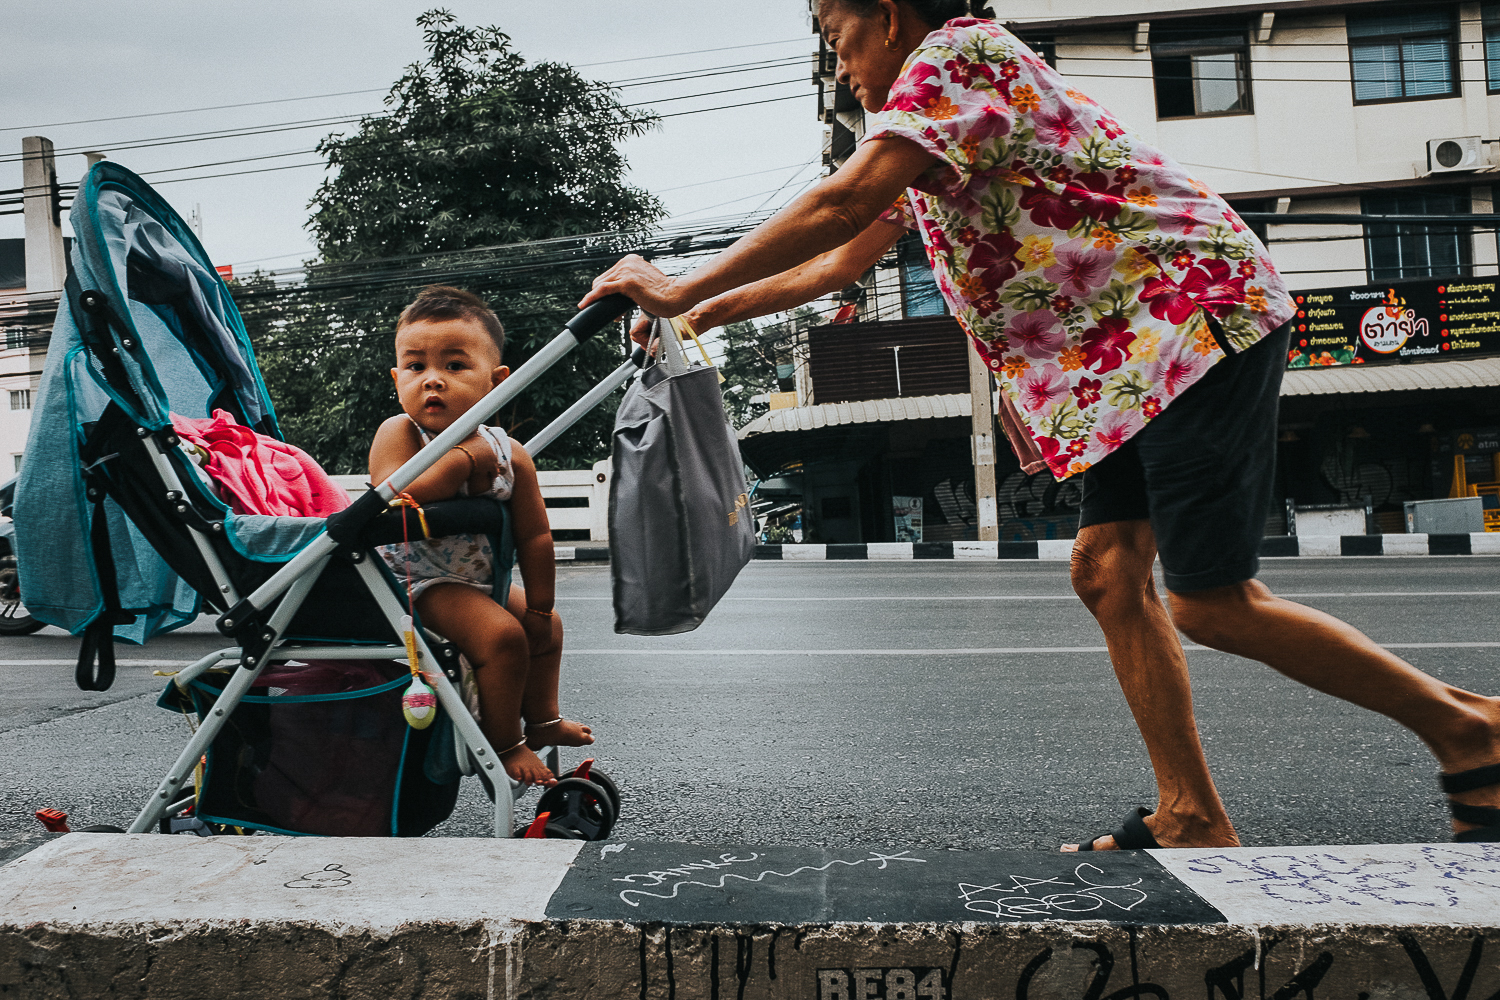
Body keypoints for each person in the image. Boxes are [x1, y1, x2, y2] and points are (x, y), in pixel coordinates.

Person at [582, 0, 1500, 847]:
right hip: (1129, 360)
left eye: (837, 37)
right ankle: (1190, 811)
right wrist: (697, 314)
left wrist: (676, 285)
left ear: (890, 17)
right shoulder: (927, 126)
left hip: (1191, 320)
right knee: (1107, 572)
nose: (842, 63)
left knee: (1211, 601)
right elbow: (837, 264)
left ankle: (1472, 729)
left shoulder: (955, 59)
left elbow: (838, 204)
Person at [370, 285, 594, 787]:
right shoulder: (399, 433)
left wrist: (540, 608)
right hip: (415, 583)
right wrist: (465, 458)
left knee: (545, 627)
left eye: (454, 365)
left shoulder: (511, 453)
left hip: (477, 581)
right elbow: (399, 492)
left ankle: (543, 719)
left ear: (496, 382)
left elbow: (535, 536)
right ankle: (505, 743)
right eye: (415, 366)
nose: (432, 380)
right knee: (502, 637)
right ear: (397, 379)